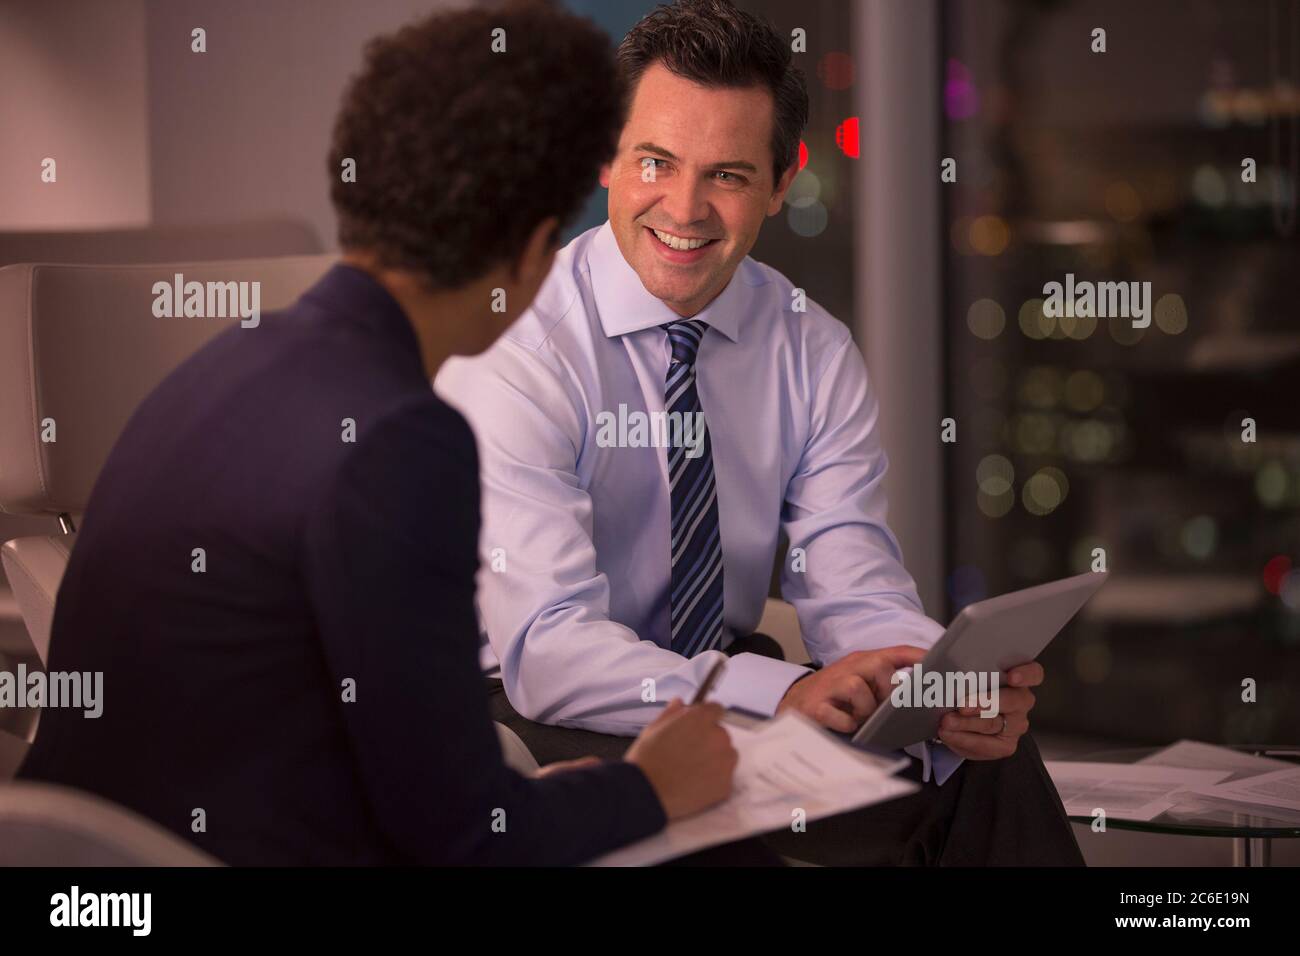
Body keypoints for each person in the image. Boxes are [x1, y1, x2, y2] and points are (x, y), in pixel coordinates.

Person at [17, 1, 738, 866]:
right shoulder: (401, 440)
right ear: (533, 251)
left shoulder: (227, 363)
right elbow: (464, 843)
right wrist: (650, 787)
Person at [436, 0, 1083, 865]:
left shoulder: (808, 343)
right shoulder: (516, 345)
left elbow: (852, 582)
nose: (686, 208)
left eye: (729, 176)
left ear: (782, 183)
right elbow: (550, 650)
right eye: (656, 162)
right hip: (534, 705)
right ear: (607, 157)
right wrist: (779, 693)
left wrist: (932, 680)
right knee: (718, 822)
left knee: (973, 765)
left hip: (732, 675)